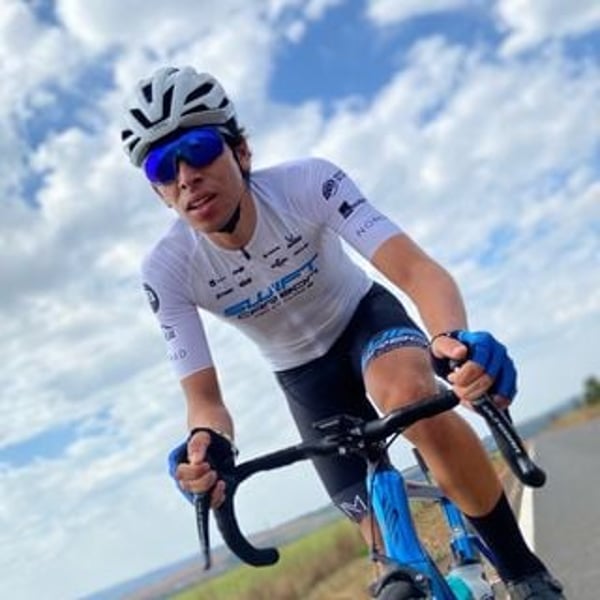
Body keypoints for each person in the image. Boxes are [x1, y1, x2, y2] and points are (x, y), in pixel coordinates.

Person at [121, 66, 565, 599]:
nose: (185, 176)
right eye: (161, 167)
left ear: (241, 151)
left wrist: (451, 339)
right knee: (388, 554)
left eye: (197, 149)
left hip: (364, 322)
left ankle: (524, 573)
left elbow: (417, 271)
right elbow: (204, 402)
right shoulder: (167, 269)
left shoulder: (306, 184)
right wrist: (205, 445)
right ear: (159, 193)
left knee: (407, 396)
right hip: (304, 379)